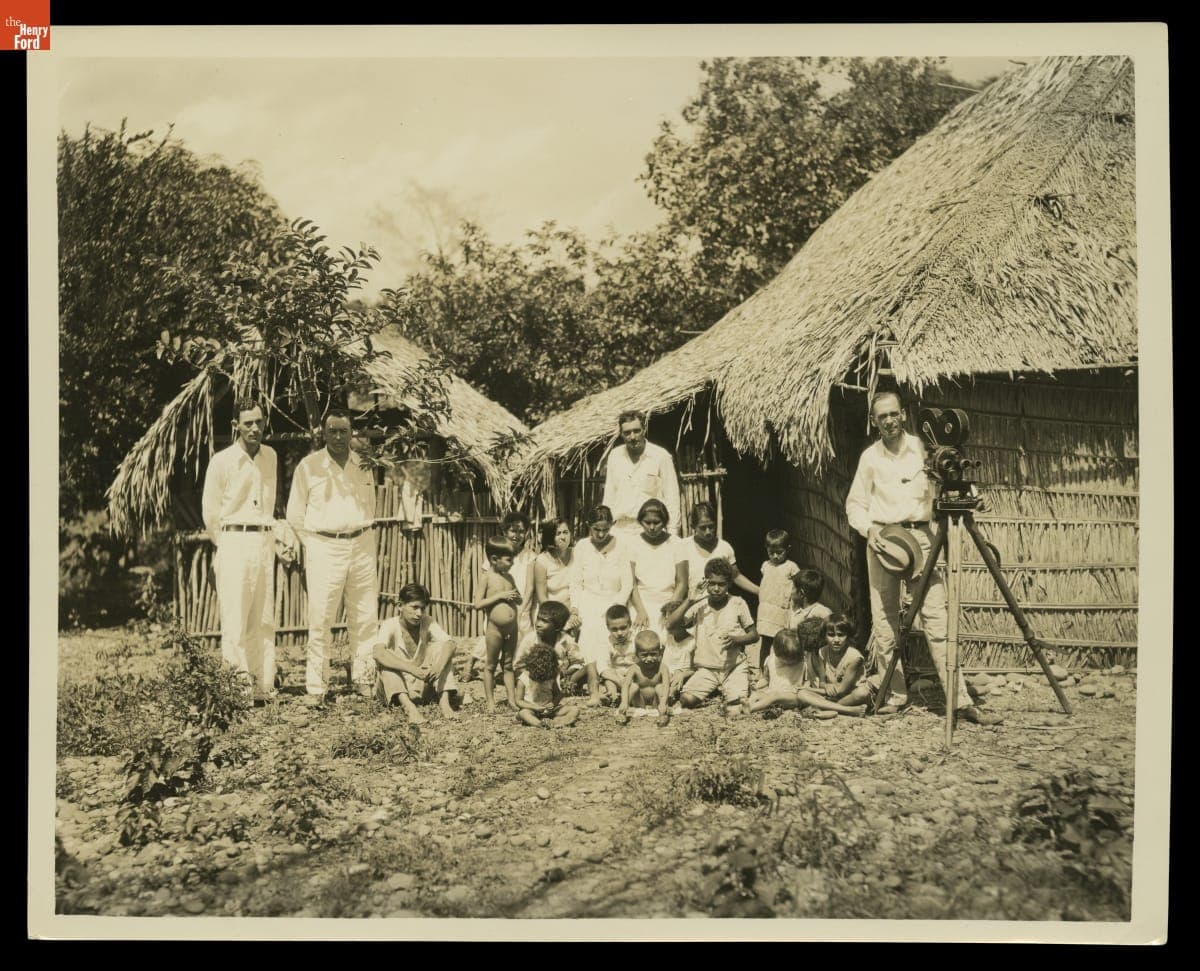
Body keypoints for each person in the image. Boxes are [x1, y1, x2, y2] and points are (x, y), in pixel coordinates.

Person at [845, 390, 1002, 726]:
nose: (888, 421)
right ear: (874, 422)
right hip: (884, 540)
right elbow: (855, 503)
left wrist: (975, 496)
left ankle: (960, 701)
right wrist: (868, 531)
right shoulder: (870, 458)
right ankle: (895, 695)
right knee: (884, 621)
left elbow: (951, 476)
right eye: (881, 416)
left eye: (893, 414)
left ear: (903, 415)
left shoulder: (923, 447)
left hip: (922, 538)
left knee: (936, 618)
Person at [286, 409, 379, 708]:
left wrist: (361, 535)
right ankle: (316, 688)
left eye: (343, 430)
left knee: (365, 616)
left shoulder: (364, 464)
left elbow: (372, 506)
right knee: (320, 619)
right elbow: (294, 515)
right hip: (324, 546)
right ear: (323, 433)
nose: (338, 437)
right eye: (332, 431)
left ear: (352, 432)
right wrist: (313, 546)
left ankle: (364, 681)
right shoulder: (308, 467)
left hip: (362, 543)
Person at [202, 398, 288, 704]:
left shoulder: (271, 456)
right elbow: (211, 513)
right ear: (235, 426)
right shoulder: (221, 461)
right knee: (236, 619)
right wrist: (224, 546)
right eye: (248, 422)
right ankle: (237, 693)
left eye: (259, 422)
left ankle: (263, 687)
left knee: (263, 618)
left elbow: (268, 504)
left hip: (264, 541)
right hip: (234, 540)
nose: (254, 428)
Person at [666, 558, 758, 713]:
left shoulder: (737, 603)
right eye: (712, 583)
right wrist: (690, 600)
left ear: (729, 584)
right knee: (686, 700)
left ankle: (730, 689)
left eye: (721, 584)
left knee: (736, 705)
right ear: (705, 582)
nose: (716, 588)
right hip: (707, 669)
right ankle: (715, 688)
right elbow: (670, 624)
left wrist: (738, 639)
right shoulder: (699, 605)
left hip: (733, 667)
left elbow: (754, 635)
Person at [568, 504, 633, 706]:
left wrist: (616, 607)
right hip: (588, 601)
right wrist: (575, 607)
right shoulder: (581, 547)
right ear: (589, 526)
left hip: (613, 602)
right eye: (597, 529)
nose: (601, 533)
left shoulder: (621, 546)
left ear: (612, 525)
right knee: (590, 635)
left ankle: (596, 680)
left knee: (611, 635)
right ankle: (594, 687)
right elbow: (576, 582)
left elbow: (627, 583)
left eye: (606, 529)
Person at [371, 583, 458, 724]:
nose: (419, 614)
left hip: (420, 685)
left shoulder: (427, 622)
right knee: (387, 659)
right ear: (400, 605)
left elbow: (451, 644)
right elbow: (378, 653)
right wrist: (411, 669)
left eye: (422, 608)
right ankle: (410, 708)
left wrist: (438, 666)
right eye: (414, 607)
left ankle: (444, 701)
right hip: (394, 689)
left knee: (441, 647)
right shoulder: (390, 625)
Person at [746, 621, 867, 717]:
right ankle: (747, 703)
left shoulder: (808, 661)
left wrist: (806, 687)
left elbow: (816, 683)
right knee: (762, 694)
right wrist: (757, 686)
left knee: (778, 696)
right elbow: (766, 679)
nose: (836, 640)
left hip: (795, 694)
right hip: (785, 692)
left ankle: (751, 708)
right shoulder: (772, 661)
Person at [601, 410, 682, 540]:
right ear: (621, 434)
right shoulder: (615, 456)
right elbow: (609, 497)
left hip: (651, 529)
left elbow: (672, 498)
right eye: (627, 433)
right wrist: (606, 530)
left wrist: (673, 534)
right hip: (620, 530)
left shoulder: (661, 456)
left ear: (644, 429)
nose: (632, 437)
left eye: (636, 431)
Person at [471, 534, 523, 712]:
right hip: (495, 629)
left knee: (508, 665)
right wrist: (500, 596)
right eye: (509, 560)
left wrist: (516, 599)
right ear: (494, 559)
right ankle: (491, 702)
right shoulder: (486, 578)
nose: (512, 563)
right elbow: (478, 604)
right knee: (491, 665)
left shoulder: (509, 578)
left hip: (512, 627)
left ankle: (511, 700)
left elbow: (519, 600)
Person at [627, 499, 688, 640]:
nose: (652, 527)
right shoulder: (633, 544)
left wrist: (670, 610)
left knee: (668, 643)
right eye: (647, 522)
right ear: (640, 521)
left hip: (669, 602)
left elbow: (682, 583)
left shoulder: (677, 544)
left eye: (657, 522)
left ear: (665, 521)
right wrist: (640, 611)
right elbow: (631, 583)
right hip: (641, 603)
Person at [681, 503, 758, 600]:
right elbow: (678, 582)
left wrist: (759, 591)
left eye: (711, 526)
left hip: (720, 604)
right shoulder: (683, 546)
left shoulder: (724, 547)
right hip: (693, 604)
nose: (708, 532)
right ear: (693, 526)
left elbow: (735, 576)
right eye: (703, 528)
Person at [755, 529, 800, 683]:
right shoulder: (765, 565)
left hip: (782, 610)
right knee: (765, 643)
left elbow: (797, 587)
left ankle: (780, 674)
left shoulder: (791, 567)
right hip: (766, 611)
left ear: (788, 549)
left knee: (780, 642)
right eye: (771, 552)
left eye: (779, 552)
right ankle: (763, 674)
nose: (775, 556)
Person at [513, 600, 587, 694]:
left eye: (544, 621)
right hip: (536, 678)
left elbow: (577, 661)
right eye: (538, 619)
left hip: (561, 677)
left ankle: (567, 687)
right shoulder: (530, 639)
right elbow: (518, 665)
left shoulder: (565, 640)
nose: (538, 624)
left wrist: (566, 673)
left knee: (589, 668)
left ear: (557, 627)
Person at [530, 518, 581, 639]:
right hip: (550, 613)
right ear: (550, 537)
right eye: (558, 534)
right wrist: (562, 618)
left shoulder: (577, 554)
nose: (563, 537)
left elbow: (579, 587)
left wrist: (574, 612)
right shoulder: (542, 561)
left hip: (574, 610)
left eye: (566, 532)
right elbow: (543, 599)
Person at [513, 643, 581, 729]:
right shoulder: (523, 679)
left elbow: (557, 694)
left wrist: (553, 703)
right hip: (532, 710)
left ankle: (558, 721)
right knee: (524, 713)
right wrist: (535, 707)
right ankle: (540, 724)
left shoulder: (550, 677)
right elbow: (518, 701)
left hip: (549, 711)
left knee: (574, 709)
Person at [617, 630, 671, 727]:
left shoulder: (663, 668)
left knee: (659, 687)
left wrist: (663, 703)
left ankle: (663, 714)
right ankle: (623, 713)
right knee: (633, 686)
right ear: (637, 654)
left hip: (656, 703)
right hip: (639, 702)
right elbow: (625, 685)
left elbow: (666, 686)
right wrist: (624, 702)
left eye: (653, 654)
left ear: (660, 652)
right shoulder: (634, 668)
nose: (649, 659)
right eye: (644, 655)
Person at [596, 603, 636, 703]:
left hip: (633, 676)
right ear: (608, 627)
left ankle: (627, 696)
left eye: (623, 628)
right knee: (609, 680)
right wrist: (621, 681)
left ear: (630, 624)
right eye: (614, 629)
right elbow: (603, 668)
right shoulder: (606, 642)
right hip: (616, 677)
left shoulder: (637, 639)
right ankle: (613, 696)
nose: (619, 633)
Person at [659, 599, 695, 704]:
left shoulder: (692, 642)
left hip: (683, 676)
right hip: (667, 674)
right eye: (666, 620)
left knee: (677, 674)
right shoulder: (667, 638)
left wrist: (683, 675)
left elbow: (695, 669)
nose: (668, 624)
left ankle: (670, 694)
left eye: (673, 621)